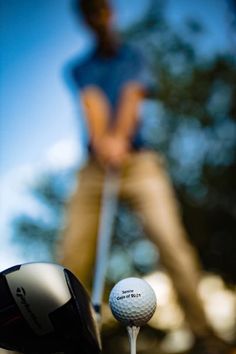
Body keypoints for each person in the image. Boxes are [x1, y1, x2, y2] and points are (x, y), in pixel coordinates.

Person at [59, 1, 234, 353]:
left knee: (172, 244)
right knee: (71, 254)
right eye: (90, 12)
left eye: (102, 9)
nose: (99, 17)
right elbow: (93, 104)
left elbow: (131, 98)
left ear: (111, 12)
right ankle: (59, 339)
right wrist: (102, 140)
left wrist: (119, 137)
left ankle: (205, 335)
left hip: (140, 164)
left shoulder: (134, 55)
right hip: (94, 170)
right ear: (85, 20)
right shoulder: (78, 67)